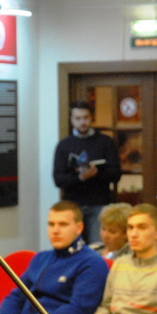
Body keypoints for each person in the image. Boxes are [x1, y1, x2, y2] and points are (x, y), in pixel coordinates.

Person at [53, 100, 122, 244]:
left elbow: (116, 173)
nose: (82, 122)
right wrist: (80, 177)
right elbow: (58, 179)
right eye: (78, 118)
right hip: (72, 205)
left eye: (85, 117)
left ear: (91, 118)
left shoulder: (105, 142)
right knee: (71, 247)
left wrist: (96, 173)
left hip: (99, 203)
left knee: (98, 246)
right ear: (71, 120)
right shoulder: (64, 145)